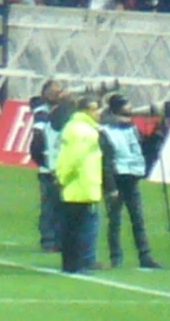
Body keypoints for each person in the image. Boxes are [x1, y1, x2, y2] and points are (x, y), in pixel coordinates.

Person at [98, 94, 167, 269]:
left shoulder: (132, 127)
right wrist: (109, 184)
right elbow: (105, 158)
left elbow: (143, 148)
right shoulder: (106, 129)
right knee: (115, 220)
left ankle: (144, 255)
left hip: (132, 176)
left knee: (138, 219)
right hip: (117, 176)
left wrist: (158, 133)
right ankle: (116, 257)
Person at [55, 95, 106, 273]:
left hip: (76, 184)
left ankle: (71, 264)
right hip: (80, 185)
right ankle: (78, 264)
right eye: (96, 109)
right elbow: (75, 158)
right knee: (79, 228)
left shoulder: (73, 127)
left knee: (72, 227)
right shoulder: (84, 132)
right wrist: (63, 177)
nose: (99, 113)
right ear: (86, 110)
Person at [30, 81, 69, 253]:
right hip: (49, 166)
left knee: (60, 205)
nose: (58, 93)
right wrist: (43, 162)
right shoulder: (42, 113)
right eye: (55, 90)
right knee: (50, 206)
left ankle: (59, 239)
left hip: (60, 165)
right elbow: (37, 140)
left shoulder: (61, 113)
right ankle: (49, 239)